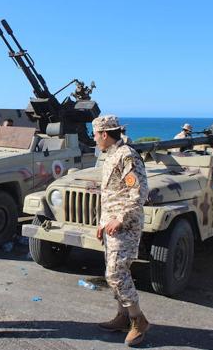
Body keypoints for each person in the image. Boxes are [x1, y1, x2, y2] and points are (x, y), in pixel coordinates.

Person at [92, 115, 150, 346]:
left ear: (105, 134)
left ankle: (138, 320)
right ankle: (123, 316)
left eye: (96, 134)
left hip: (125, 226)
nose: (94, 139)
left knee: (116, 273)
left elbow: (139, 192)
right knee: (113, 270)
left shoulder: (127, 155)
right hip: (111, 224)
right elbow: (111, 195)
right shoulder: (111, 156)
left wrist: (120, 219)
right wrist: (102, 222)